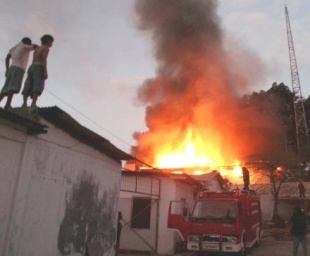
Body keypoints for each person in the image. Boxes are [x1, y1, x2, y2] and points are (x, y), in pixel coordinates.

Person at [0, 37, 37, 109]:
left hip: (11, 68)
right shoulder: (25, 46)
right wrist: (31, 44)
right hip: (19, 69)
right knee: (13, 87)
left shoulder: (15, 47)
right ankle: (8, 105)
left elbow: (7, 57)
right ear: (27, 42)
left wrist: (7, 69)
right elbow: (35, 47)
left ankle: (6, 104)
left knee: (5, 88)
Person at [22, 34, 54, 108]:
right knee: (37, 84)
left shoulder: (37, 49)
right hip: (39, 66)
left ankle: (24, 103)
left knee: (28, 83)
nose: (51, 44)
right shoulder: (46, 48)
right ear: (48, 41)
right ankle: (33, 103)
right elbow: (43, 59)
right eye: (51, 42)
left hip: (32, 66)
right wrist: (45, 71)